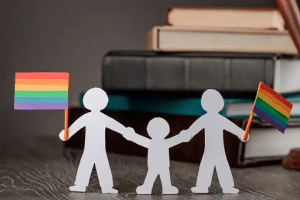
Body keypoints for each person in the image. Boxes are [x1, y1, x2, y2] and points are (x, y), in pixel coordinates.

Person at [59, 87, 126, 193]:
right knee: (87, 166)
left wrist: (125, 131)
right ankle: (82, 186)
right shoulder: (88, 117)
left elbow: (116, 126)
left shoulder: (101, 118)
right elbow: (75, 127)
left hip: (99, 149)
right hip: (89, 149)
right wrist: (66, 133)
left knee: (101, 166)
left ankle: (106, 187)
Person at [180, 89, 248, 194]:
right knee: (207, 166)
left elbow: (233, 128)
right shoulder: (205, 119)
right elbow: (193, 129)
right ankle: (204, 187)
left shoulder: (220, 119)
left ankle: (227, 187)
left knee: (221, 167)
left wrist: (242, 134)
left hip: (219, 150)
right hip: (209, 150)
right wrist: (187, 134)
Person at [123, 117, 190, 194]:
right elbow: (139, 139)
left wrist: (182, 137)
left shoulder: (160, 142)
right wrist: (132, 136)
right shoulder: (154, 142)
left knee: (161, 176)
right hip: (156, 164)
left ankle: (164, 188)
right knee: (153, 176)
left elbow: (177, 139)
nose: (158, 132)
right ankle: (149, 187)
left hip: (161, 165)